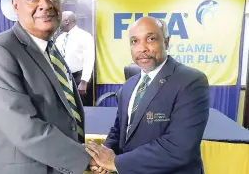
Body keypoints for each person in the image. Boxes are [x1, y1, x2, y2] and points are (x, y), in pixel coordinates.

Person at [0, 0, 96, 174]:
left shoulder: (52, 50)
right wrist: (86, 159)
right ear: (15, 6)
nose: (46, 5)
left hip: (60, 167)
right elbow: (23, 128)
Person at [85, 17, 210, 174]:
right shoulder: (129, 85)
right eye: (134, 41)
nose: (142, 48)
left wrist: (115, 162)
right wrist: (102, 154)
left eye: (151, 39)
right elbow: (119, 129)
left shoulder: (191, 81)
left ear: (166, 42)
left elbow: (179, 147)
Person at [55, 11, 95, 106]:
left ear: (67, 21)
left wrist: (84, 81)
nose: (57, 23)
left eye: (59, 20)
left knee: (82, 107)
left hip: (79, 78)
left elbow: (89, 60)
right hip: (63, 77)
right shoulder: (60, 38)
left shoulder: (85, 36)